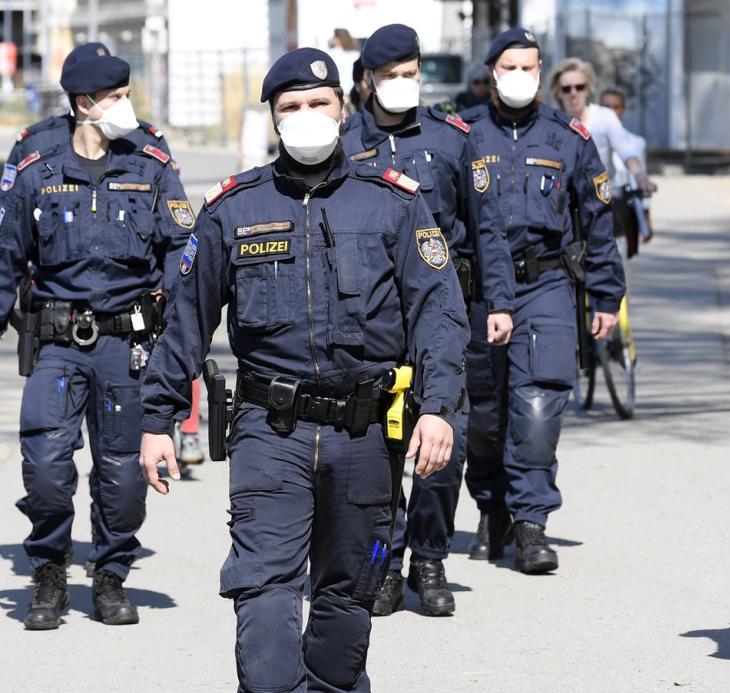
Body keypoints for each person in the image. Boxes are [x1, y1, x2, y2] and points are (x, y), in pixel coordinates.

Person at [137, 48, 468, 691]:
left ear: (343, 109)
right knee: (263, 590)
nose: (306, 116)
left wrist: (439, 408)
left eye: (319, 103)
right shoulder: (232, 208)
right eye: (291, 107)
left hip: (365, 432)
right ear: (273, 120)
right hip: (269, 429)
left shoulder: (395, 204)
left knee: (348, 598)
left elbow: (439, 314)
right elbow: (185, 320)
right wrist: (157, 419)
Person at [0, 45, 192, 630]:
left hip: (126, 344)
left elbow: (182, 251)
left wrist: (182, 338)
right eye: (115, 97)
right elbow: (5, 255)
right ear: (85, 103)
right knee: (47, 465)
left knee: (122, 474)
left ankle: (110, 573)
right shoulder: (34, 159)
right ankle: (51, 569)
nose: (125, 106)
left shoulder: (151, 160)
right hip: (57, 340)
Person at [341, 22, 514, 618]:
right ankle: (385, 561)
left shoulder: (452, 137)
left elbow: (486, 225)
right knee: (382, 443)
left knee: (449, 438)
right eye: (391, 76)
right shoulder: (343, 144)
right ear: (367, 80)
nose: (402, 85)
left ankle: (430, 557)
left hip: (448, 307)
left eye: (411, 75)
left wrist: (499, 301)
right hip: (373, 317)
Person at [461, 28, 625, 574]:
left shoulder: (568, 137)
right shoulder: (464, 134)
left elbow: (598, 219)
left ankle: (532, 525)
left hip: (546, 284)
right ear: (491, 72)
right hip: (480, 289)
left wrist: (606, 295)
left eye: (530, 67)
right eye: (510, 66)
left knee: (537, 407)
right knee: (484, 413)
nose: (520, 76)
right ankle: (492, 509)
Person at [2, 43, 173, 193]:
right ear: (81, 99)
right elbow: (13, 213)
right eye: (114, 96)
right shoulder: (36, 142)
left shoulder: (146, 140)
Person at [548, 58, 655, 194]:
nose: (573, 93)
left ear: (588, 89)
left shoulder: (605, 117)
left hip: (602, 199)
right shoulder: (551, 123)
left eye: (579, 87)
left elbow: (626, 150)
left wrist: (640, 177)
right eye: (566, 89)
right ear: (558, 92)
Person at [599, 86, 653, 256]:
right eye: (607, 107)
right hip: (598, 205)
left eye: (616, 107)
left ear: (623, 109)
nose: (611, 112)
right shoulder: (589, 136)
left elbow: (641, 180)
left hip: (623, 205)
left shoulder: (635, 143)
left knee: (623, 256)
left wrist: (646, 217)